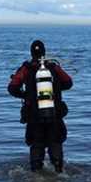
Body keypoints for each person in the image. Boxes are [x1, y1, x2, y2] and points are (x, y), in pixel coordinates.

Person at [8, 40, 73, 172]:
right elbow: (68, 83)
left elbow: (12, 88)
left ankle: (36, 177)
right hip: (54, 114)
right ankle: (59, 172)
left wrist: (25, 95)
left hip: (34, 116)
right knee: (55, 142)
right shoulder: (53, 67)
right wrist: (54, 91)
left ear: (31, 52)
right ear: (44, 52)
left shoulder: (26, 68)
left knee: (37, 145)